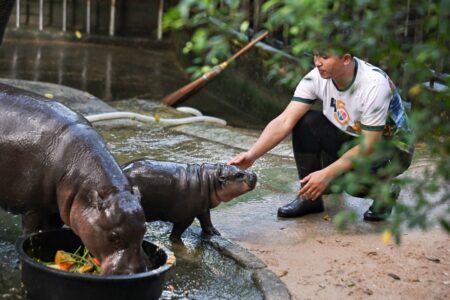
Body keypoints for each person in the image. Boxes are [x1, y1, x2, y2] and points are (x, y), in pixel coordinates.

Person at [228, 29, 415, 221]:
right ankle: (309, 198)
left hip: (391, 150)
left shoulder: (374, 85)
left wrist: (326, 174)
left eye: (325, 57)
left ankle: (385, 191)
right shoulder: (315, 78)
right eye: (316, 55)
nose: (317, 62)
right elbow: (285, 120)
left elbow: (368, 145)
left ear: (345, 59)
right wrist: (252, 155)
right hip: (352, 137)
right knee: (306, 122)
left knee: (349, 184)